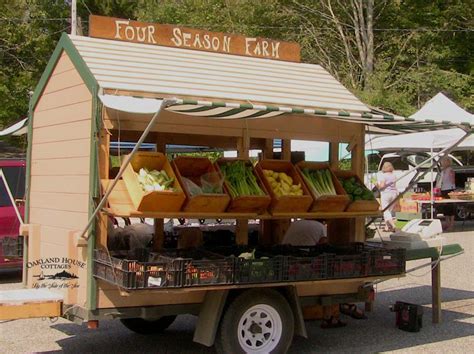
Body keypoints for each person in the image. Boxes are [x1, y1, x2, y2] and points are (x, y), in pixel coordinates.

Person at [282, 220, 366, 328]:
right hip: (305, 261)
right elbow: (323, 245)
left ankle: (331, 315)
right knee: (329, 275)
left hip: (286, 258)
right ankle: (340, 308)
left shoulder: (295, 223)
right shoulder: (321, 227)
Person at [436, 156, 456, 230]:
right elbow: (440, 181)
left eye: (443, 161)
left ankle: (452, 223)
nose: (442, 162)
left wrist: (451, 176)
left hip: (449, 189)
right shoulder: (442, 170)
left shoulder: (450, 170)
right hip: (443, 189)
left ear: (448, 162)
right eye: (442, 161)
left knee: (450, 206)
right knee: (445, 206)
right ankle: (447, 222)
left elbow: (452, 181)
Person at [377, 162, 398, 232]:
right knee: (389, 211)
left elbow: (382, 186)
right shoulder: (394, 175)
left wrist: (376, 184)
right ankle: (387, 227)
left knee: (385, 211)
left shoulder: (384, 175)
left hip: (386, 194)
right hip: (394, 194)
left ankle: (393, 225)